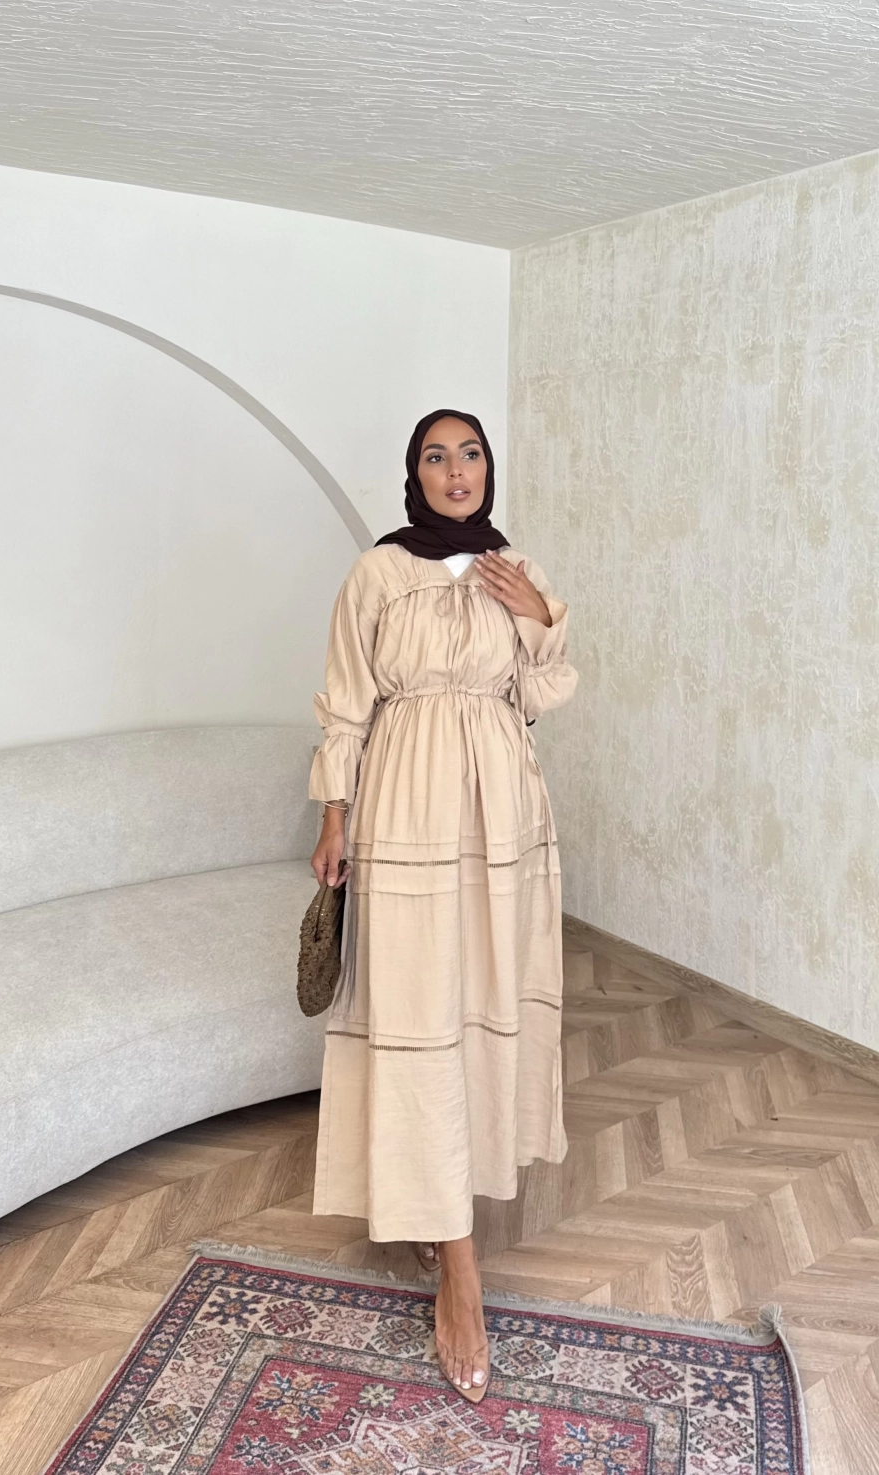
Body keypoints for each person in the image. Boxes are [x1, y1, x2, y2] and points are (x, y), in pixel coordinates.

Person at [308, 408, 578, 1402]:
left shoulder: (517, 568)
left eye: (470, 454)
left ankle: (446, 1195)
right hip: (408, 800)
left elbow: (542, 691)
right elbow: (346, 702)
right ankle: (458, 1265)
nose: (455, 470)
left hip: (504, 808)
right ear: (413, 474)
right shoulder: (379, 572)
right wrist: (335, 814)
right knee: (419, 1008)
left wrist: (539, 615)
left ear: (487, 470)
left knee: (481, 1002)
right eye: (436, 455)